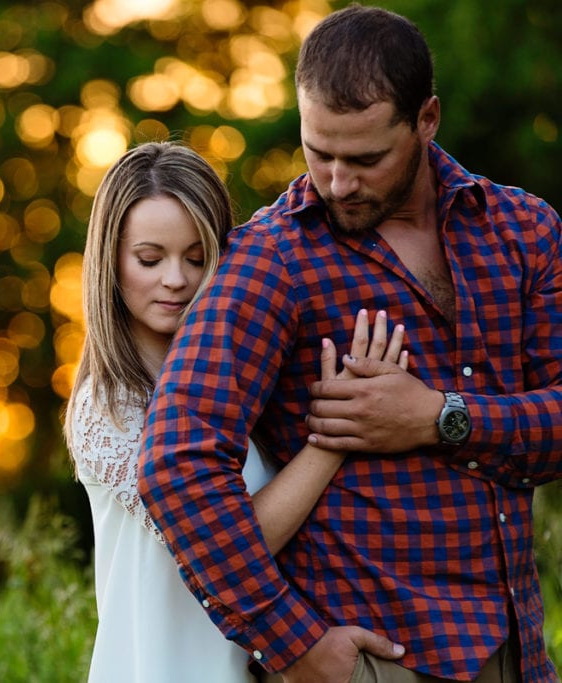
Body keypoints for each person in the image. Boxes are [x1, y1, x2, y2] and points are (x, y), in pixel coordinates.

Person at [139, 5, 562, 683]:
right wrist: (291, 641)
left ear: (427, 120)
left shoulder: (524, 231)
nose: (336, 181)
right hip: (372, 659)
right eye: (318, 150)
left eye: (364, 157)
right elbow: (176, 466)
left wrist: (439, 416)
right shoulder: (271, 260)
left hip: (517, 650)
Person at [65, 141, 408, 682]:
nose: (176, 279)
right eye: (150, 259)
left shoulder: (238, 390)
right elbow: (221, 543)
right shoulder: (108, 405)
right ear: (109, 261)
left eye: (198, 258)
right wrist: (337, 434)